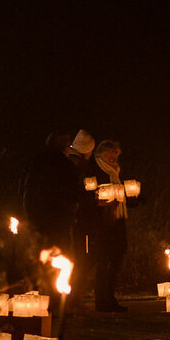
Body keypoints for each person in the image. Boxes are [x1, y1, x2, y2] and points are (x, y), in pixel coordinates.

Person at [89, 139, 131, 312]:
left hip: (118, 219)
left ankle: (110, 298)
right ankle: (101, 300)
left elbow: (122, 196)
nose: (115, 157)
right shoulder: (96, 171)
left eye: (117, 154)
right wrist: (103, 204)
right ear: (101, 154)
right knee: (103, 260)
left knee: (116, 260)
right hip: (103, 223)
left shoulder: (116, 172)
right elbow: (91, 196)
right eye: (111, 153)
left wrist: (133, 198)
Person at [22, 131, 81, 252]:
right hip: (59, 220)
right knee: (58, 254)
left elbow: (26, 187)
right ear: (65, 147)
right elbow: (75, 191)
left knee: (39, 252)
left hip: (37, 218)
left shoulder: (36, 162)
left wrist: (29, 213)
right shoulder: (66, 166)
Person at [66, 130, 98, 306]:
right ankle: (74, 295)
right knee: (81, 258)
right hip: (79, 219)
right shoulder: (79, 166)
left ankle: (71, 295)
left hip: (71, 218)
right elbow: (80, 192)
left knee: (76, 257)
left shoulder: (68, 162)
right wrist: (94, 199)